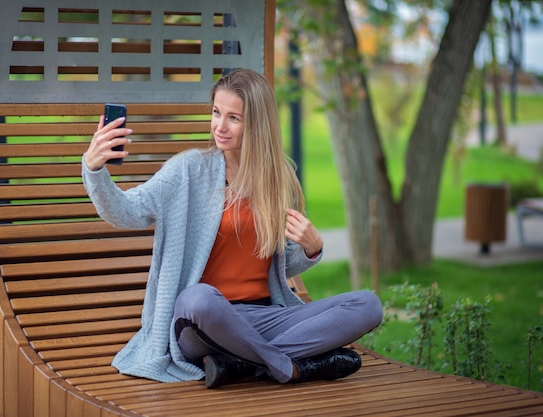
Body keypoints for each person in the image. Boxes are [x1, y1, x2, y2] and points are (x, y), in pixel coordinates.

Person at [82, 68, 383, 388]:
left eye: (233, 118)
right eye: (216, 113)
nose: (219, 127)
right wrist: (95, 168)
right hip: (202, 324)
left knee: (367, 305)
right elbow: (127, 213)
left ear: (257, 123)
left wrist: (311, 248)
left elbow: (278, 267)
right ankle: (290, 367)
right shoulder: (188, 170)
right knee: (198, 297)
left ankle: (239, 364)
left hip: (263, 319)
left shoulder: (276, 179)